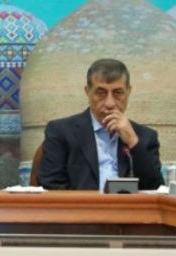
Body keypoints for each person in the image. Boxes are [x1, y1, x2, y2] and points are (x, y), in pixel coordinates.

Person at [38, 58, 161, 191]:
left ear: (128, 92)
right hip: (80, 204)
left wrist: (133, 142)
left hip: (128, 204)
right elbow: (50, 185)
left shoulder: (146, 136)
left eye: (118, 93)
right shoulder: (61, 132)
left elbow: (155, 188)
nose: (110, 103)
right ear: (88, 92)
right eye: (101, 93)